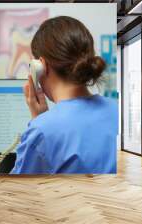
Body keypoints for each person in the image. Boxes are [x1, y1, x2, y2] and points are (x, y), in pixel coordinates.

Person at [11, 16, 118, 174]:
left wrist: (38, 121)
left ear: (41, 66)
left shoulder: (41, 131)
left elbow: (17, 192)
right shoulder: (115, 109)